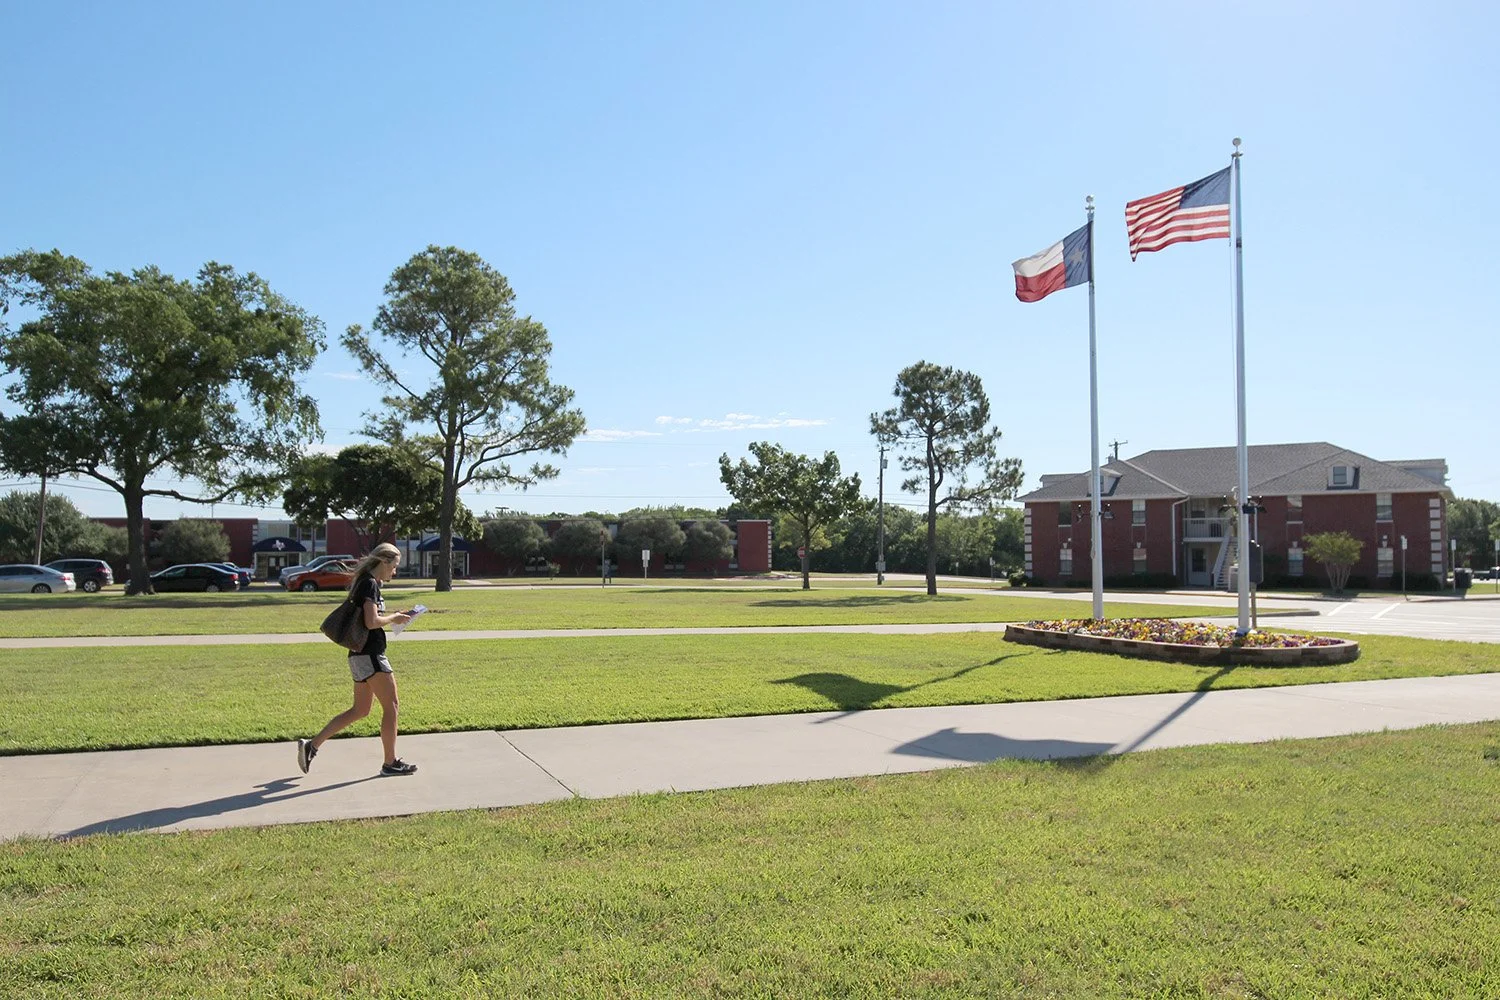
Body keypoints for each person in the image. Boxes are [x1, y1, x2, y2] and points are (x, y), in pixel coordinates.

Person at [297, 543, 417, 776]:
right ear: (383, 562)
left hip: (359, 656)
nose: (395, 571)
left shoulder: (366, 583)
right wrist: (394, 618)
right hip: (370, 655)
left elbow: (369, 618)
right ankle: (390, 763)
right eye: (394, 566)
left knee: (360, 710)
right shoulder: (369, 584)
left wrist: (394, 616)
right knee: (392, 706)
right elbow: (371, 622)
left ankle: (311, 746)